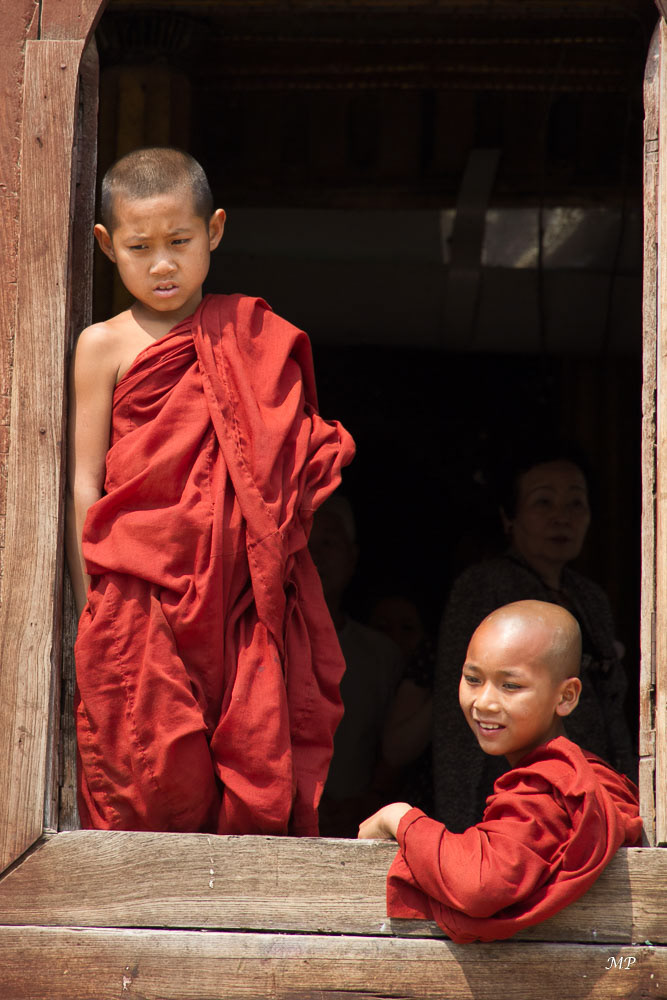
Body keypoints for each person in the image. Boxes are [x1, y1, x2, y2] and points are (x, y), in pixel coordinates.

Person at [65, 147, 355, 836]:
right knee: (148, 768)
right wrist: (90, 604)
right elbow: (85, 477)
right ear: (107, 246)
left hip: (236, 600)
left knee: (252, 754)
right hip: (136, 597)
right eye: (139, 247)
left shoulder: (253, 335)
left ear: (215, 231)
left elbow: (288, 469)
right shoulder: (102, 346)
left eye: (179, 243)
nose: (162, 264)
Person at [358, 601, 642, 944]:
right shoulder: (566, 775)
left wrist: (400, 818)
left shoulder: (555, 785)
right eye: (473, 679)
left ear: (566, 696)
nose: (484, 702)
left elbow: (480, 883)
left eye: (510, 686)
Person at [432, 445, 636, 832]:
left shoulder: (590, 598)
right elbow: (453, 716)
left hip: (587, 798)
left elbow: (615, 705)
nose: (562, 518)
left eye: (576, 504)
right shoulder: (483, 587)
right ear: (509, 517)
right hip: (507, 804)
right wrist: (458, 822)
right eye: (544, 502)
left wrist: (628, 787)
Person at [309, 497, 404, 836]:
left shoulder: (383, 654)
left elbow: (396, 744)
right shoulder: (256, 644)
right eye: (304, 541)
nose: (315, 555)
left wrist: (369, 799)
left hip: (363, 823)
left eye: (328, 543)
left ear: (352, 556)